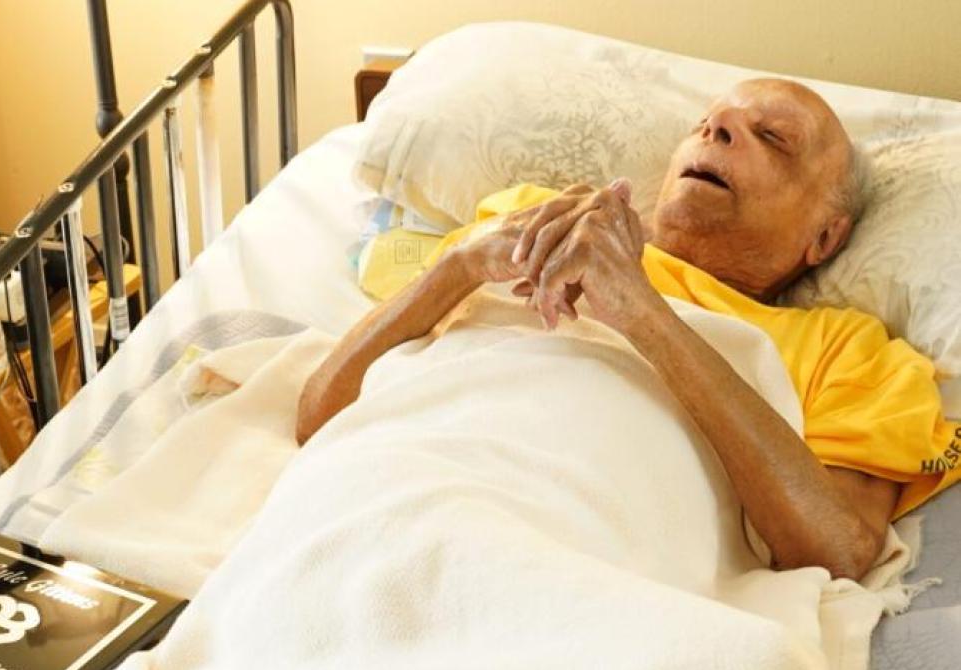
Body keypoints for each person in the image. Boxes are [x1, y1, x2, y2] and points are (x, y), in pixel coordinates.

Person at [299, 78, 956, 582]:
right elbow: (319, 413)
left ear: (826, 237)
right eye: (707, 122)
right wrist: (462, 265)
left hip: (584, 560)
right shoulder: (535, 220)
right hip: (392, 498)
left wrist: (640, 311)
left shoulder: (851, 350)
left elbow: (838, 549)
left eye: (773, 137)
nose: (719, 126)